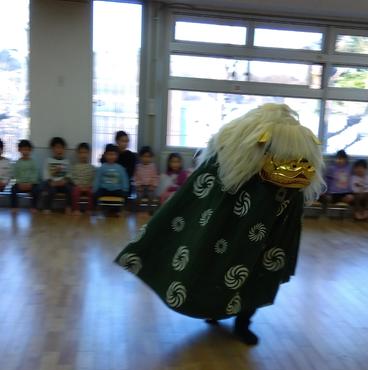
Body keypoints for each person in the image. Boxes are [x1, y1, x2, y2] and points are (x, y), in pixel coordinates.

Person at [115, 103, 324, 346]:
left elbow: (294, 192)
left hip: (266, 230)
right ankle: (214, 309)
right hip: (228, 227)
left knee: (254, 274)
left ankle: (242, 322)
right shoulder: (233, 154)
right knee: (215, 266)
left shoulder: (292, 154)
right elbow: (203, 189)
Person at [41, 137, 72, 214]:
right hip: (52, 183)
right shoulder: (48, 160)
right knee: (49, 190)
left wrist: (65, 180)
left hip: (63, 183)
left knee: (70, 188)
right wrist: (51, 182)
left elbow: (69, 174)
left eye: (61, 148)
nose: (59, 150)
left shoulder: (66, 161)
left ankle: (68, 206)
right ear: (52, 149)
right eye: (57, 147)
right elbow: (45, 174)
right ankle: (47, 207)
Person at [11, 140, 39, 212]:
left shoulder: (33, 162)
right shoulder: (18, 162)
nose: (25, 152)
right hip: (20, 184)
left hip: (31, 184)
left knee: (36, 190)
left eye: (27, 150)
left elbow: (35, 173)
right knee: (13, 189)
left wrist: (31, 183)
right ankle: (14, 206)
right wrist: (19, 183)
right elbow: (15, 174)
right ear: (19, 150)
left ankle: (33, 206)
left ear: (30, 150)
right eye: (23, 149)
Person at [71, 142, 96, 215]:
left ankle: (89, 209)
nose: (83, 155)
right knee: (75, 192)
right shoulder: (74, 167)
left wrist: (89, 186)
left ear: (89, 153)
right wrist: (78, 185)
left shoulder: (92, 167)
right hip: (78, 187)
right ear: (77, 154)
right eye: (81, 153)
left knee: (92, 192)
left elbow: (94, 178)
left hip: (88, 187)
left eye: (85, 152)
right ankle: (76, 209)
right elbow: (73, 178)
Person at [134, 146, 158, 215]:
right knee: (138, 196)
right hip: (141, 186)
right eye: (144, 156)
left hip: (150, 186)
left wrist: (153, 185)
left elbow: (155, 177)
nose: (146, 159)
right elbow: (136, 177)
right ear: (140, 157)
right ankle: (138, 209)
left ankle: (151, 210)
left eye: (148, 157)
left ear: (151, 157)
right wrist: (138, 186)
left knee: (152, 196)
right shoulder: (138, 167)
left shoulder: (153, 166)